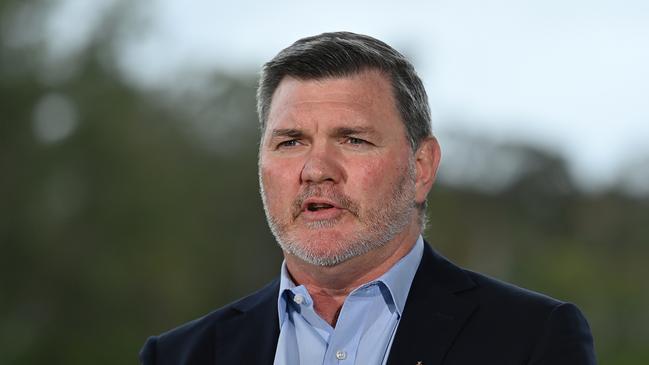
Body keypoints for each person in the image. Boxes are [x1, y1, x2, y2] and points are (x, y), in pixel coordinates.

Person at [139, 31, 596, 365]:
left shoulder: (533, 340)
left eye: (353, 140)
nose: (316, 169)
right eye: (290, 141)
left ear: (421, 168)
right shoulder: (178, 356)